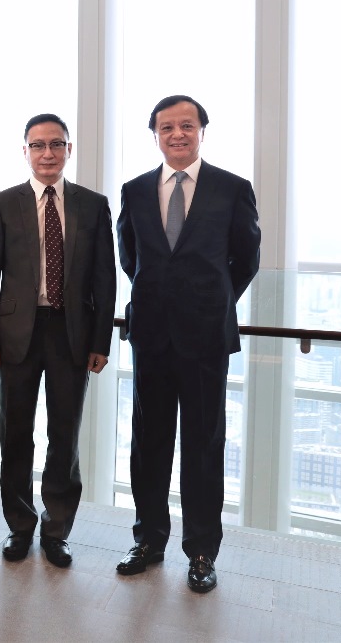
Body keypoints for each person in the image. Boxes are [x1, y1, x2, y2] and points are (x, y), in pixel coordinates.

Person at [115, 95, 260, 593]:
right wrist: (164, 296)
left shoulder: (232, 189)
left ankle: (201, 552)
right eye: (166, 127)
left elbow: (246, 260)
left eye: (186, 125)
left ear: (202, 130)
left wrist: (209, 300)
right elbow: (129, 257)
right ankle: (149, 540)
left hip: (205, 338)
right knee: (148, 442)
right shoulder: (134, 190)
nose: (177, 134)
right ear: (154, 134)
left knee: (203, 445)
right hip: (151, 334)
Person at [0, 113, 116, 567]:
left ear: (69, 150)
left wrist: (101, 340)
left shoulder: (93, 206)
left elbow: (104, 278)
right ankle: (20, 526)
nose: (47, 154)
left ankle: (57, 530)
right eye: (38, 145)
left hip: (71, 332)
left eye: (56, 144)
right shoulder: (2, 203)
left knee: (65, 434)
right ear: (26, 152)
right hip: (17, 332)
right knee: (15, 433)